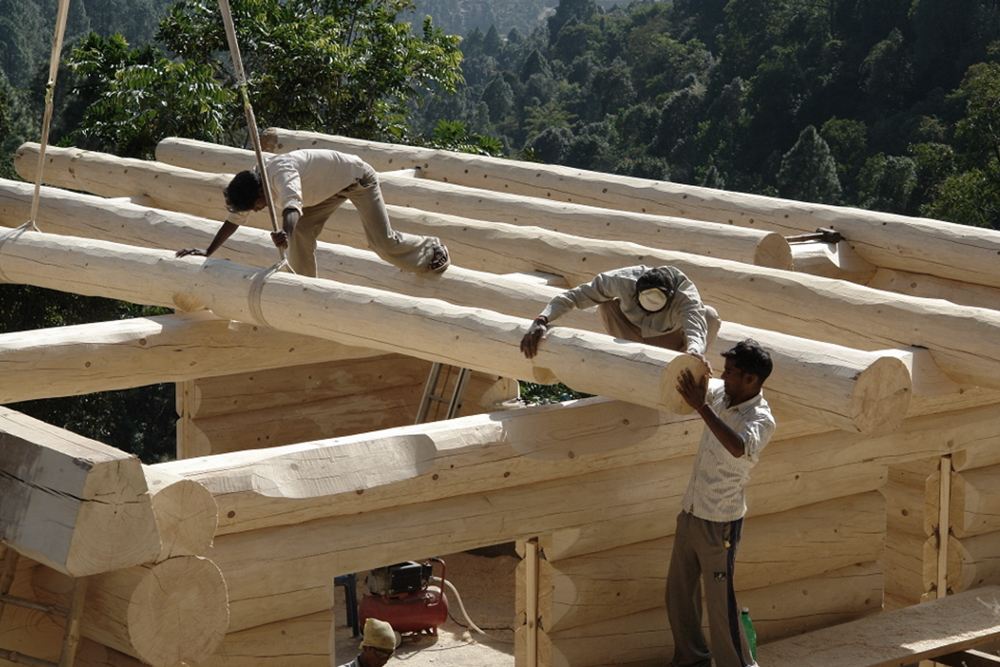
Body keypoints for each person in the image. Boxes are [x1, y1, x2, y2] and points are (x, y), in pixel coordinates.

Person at [666, 339, 776, 667]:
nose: (723, 377)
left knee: (720, 606)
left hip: (720, 525)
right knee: (678, 596)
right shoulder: (721, 394)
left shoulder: (760, 418)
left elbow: (738, 447)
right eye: (724, 370)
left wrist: (702, 408)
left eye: (730, 372)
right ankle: (692, 661)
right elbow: (696, 382)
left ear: (750, 380)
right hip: (691, 513)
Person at [176, 149, 450, 277]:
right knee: (303, 234)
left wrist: (286, 232)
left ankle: (432, 249)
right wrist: (208, 251)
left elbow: (293, 206)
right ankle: (305, 285)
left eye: (257, 207)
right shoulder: (253, 184)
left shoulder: (281, 172)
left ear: (260, 194)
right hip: (325, 190)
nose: (258, 211)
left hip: (357, 180)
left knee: (381, 241)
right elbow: (233, 220)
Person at [520, 265, 720, 359]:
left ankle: (683, 369)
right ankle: (629, 360)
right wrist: (542, 319)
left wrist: (694, 352)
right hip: (631, 335)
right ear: (636, 292)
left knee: (709, 315)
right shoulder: (621, 281)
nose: (649, 315)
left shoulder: (685, 296)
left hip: (671, 341)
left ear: (670, 299)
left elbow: (696, 328)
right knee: (606, 305)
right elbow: (575, 296)